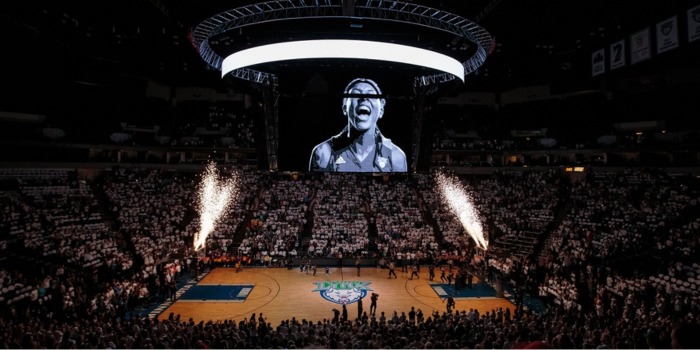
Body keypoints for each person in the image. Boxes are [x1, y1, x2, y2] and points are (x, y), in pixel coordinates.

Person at [309, 78, 407, 172]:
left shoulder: (395, 156)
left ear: (381, 110)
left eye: (371, 95)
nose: (363, 98)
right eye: (355, 94)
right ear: (344, 108)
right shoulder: (324, 153)